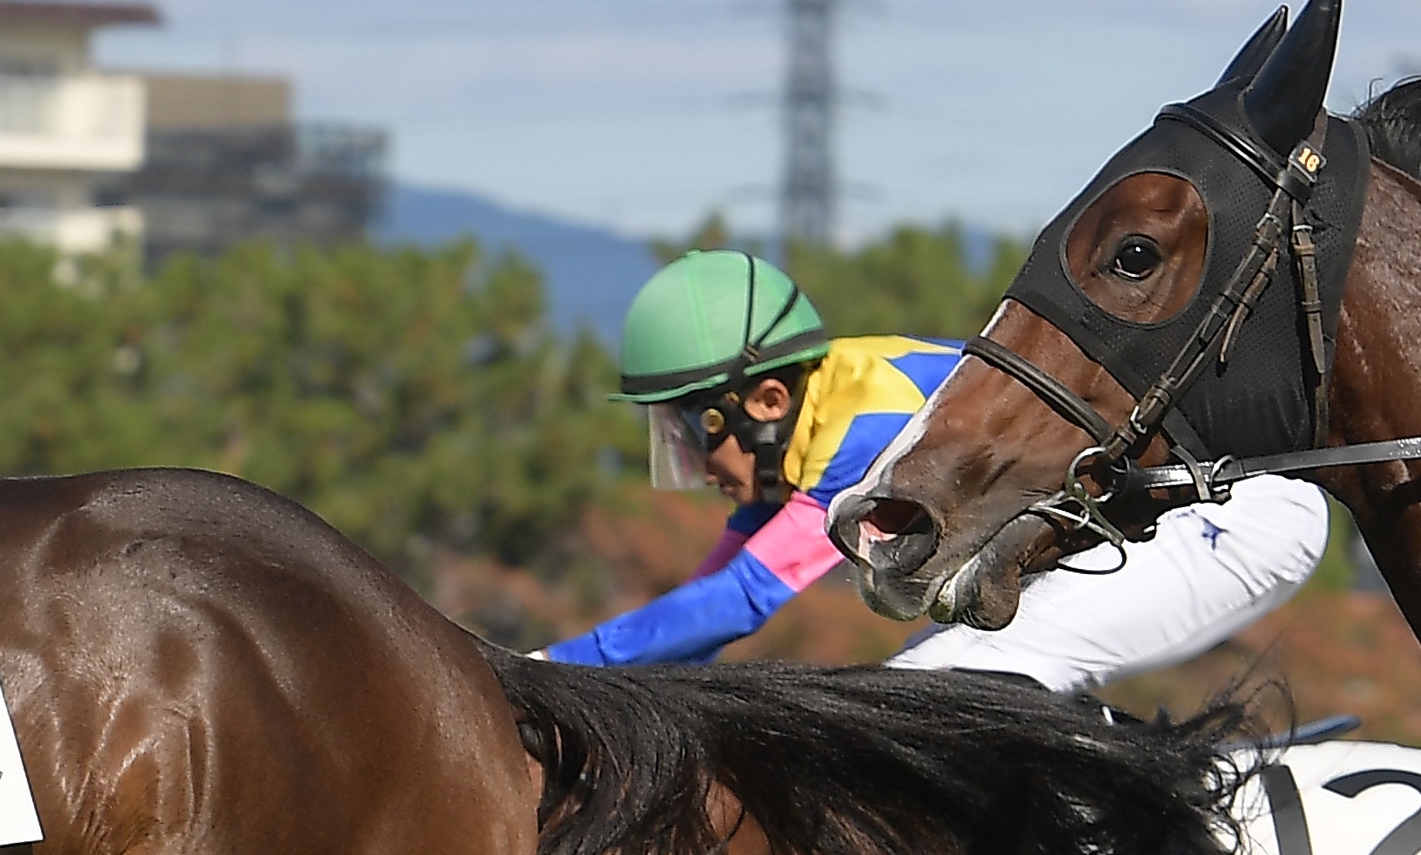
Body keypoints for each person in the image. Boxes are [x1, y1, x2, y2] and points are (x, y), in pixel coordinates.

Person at [546, 249, 1325, 684]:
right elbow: (701, 609)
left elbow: (735, 606)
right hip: (1167, 520)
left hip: (1227, 514)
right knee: (939, 675)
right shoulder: (800, 432)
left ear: (764, 401)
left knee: (939, 685)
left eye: (688, 435)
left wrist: (545, 672)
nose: (690, 468)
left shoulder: (857, 435)